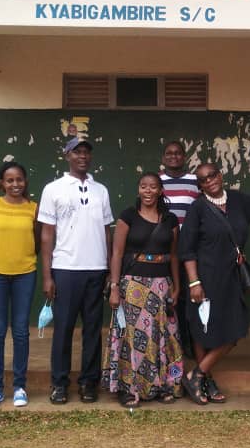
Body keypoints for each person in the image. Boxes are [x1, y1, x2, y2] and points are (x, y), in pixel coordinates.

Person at [179, 157, 250, 404]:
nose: (210, 181)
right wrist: (194, 283)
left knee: (235, 330)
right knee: (202, 329)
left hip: (230, 278)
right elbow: (186, 249)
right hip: (204, 277)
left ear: (220, 175)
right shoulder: (197, 208)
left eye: (213, 175)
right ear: (201, 186)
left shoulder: (237, 200)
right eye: (204, 179)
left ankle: (196, 374)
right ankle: (206, 382)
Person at [38, 138, 113, 405]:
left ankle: (88, 383)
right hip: (66, 269)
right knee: (64, 329)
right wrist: (47, 276)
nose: (82, 156)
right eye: (77, 152)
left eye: (86, 152)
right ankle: (59, 383)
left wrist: (108, 270)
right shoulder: (53, 189)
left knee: (93, 329)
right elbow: (47, 235)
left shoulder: (100, 190)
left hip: (96, 269)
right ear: (67, 155)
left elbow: (106, 230)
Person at [104, 172, 182, 406]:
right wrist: (115, 287)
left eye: (153, 187)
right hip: (133, 286)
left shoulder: (170, 220)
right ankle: (128, 388)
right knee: (132, 337)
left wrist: (176, 286)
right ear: (139, 190)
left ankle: (163, 385)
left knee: (163, 336)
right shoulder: (128, 216)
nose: (148, 191)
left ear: (160, 191)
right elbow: (117, 253)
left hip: (161, 286)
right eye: (144, 187)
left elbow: (174, 255)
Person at [0, 161, 40, 409]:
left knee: (21, 331)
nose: (15, 184)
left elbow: (35, 242)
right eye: (10, 180)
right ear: (1, 183)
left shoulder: (33, 209)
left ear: (25, 182)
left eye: (19, 180)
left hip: (25, 274)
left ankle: (19, 387)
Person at [159, 140, 199, 362]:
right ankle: (166, 344)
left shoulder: (194, 182)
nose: (173, 156)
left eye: (178, 153)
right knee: (167, 297)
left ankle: (188, 343)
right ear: (163, 158)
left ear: (184, 157)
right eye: (169, 153)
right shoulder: (157, 182)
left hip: (188, 249)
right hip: (163, 249)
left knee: (186, 298)